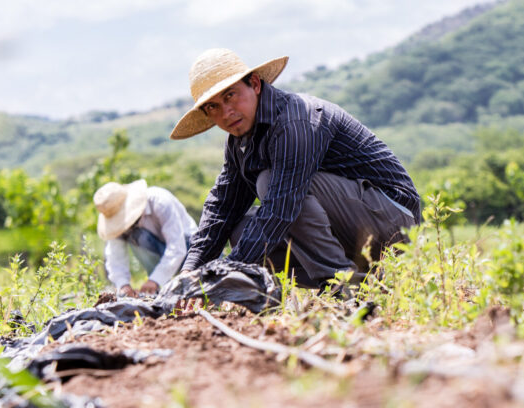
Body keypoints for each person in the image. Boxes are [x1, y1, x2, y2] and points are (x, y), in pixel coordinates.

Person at [169, 48, 420, 289]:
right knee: (240, 228)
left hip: (393, 223)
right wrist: (191, 271)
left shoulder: (296, 120)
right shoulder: (239, 143)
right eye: (213, 107)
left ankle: (345, 286)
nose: (226, 112)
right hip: (352, 233)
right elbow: (222, 208)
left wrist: (226, 271)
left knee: (269, 184)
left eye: (230, 95)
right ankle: (365, 281)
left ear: (255, 84)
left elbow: (281, 207)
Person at [94, 180, 197, 297]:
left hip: (191, 250)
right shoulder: (118, 228)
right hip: (163, 258)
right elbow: (115, 257)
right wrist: (123, 285)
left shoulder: (160, 201)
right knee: (137, 236)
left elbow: (177, 247)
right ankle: (163, 291)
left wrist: (155, 280)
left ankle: (163, 285)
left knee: (140, 236)